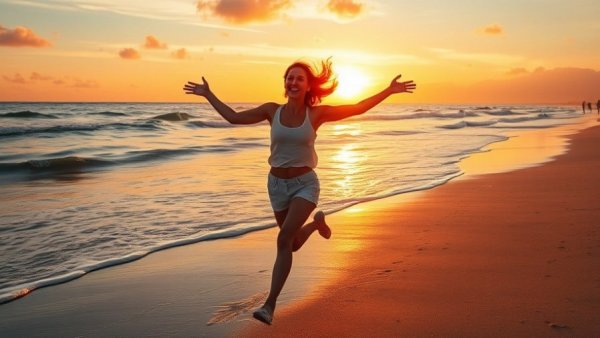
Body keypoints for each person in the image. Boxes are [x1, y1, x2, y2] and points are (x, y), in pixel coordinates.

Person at [183, 59, 416, 325]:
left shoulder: (316, 115)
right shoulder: (272, 111)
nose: (292, 82)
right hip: (276, 186)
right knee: (291, 244)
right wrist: (208, 94)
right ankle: (317, 226)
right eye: (289, 78)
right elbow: (234, 117)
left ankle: (269, 306)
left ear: (308, 87)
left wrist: (388, 90)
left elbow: (357, 108)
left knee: (283, 240)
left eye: (299, 79)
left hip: (305, 184)